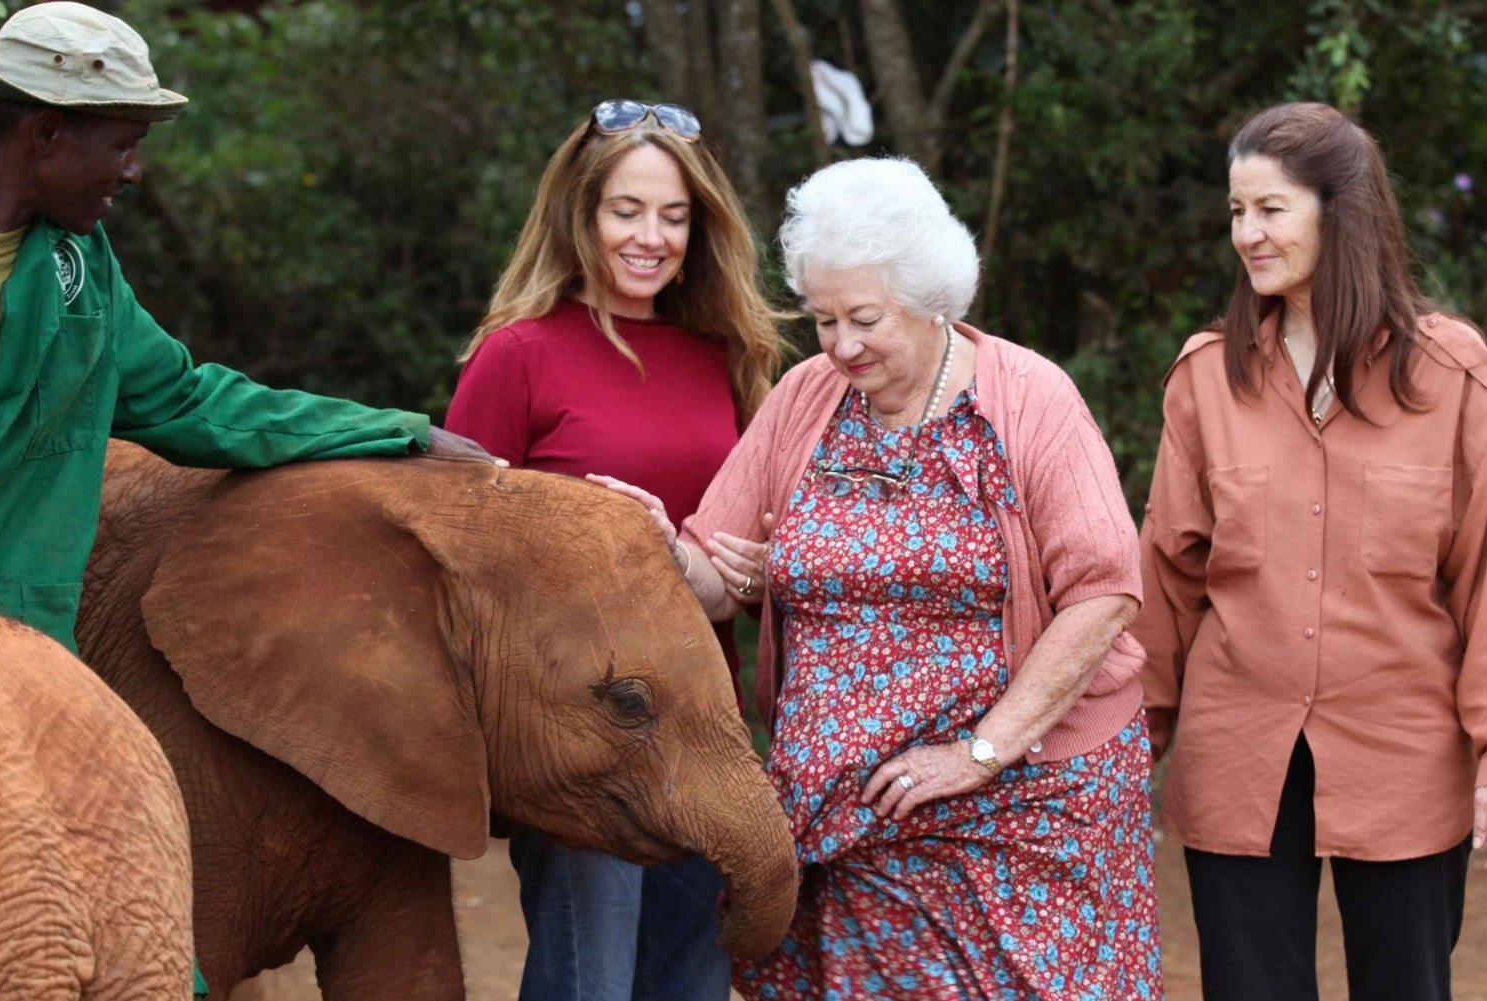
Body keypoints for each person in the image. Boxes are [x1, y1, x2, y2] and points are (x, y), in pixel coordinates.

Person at [0, 5, 488, 995]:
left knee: (108, 936)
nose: (134, 172)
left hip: (31, 676)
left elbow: (184, 398)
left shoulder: (79, 274)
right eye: (120, 145)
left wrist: (395, 430)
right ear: (44, 133)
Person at [607, 156, 1162, 999]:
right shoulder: (806, 398)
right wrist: (658, 546)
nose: (842, 345)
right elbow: (714, 576)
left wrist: (980, 751)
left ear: (928, 295)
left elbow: (1105, 593)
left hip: (1021, 808)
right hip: (840, 815)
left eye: (864, 318)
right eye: (824, 319)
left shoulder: (1030, 400)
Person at [1135, 101, 1487, 1001]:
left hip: (1406, 757)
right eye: (1235, 212)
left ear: (1344, 211)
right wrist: (1129, 744)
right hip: (1237, 755)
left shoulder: (1452, 377)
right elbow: (1166, 579)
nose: (1246, 234)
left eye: (1270, 209)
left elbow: (1484, 580)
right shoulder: (1207, 377)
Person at [442, 99, 785, 1001]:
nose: (651, 237)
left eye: (675, 217)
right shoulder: (516, 355)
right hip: (578, 738)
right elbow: (457, 558)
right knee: (588, 984)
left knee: (691, 983)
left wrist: (747, 570)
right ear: (580, 215)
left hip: (704, 731)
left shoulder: (727, 354)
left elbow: (750, 538)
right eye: (626, 210)